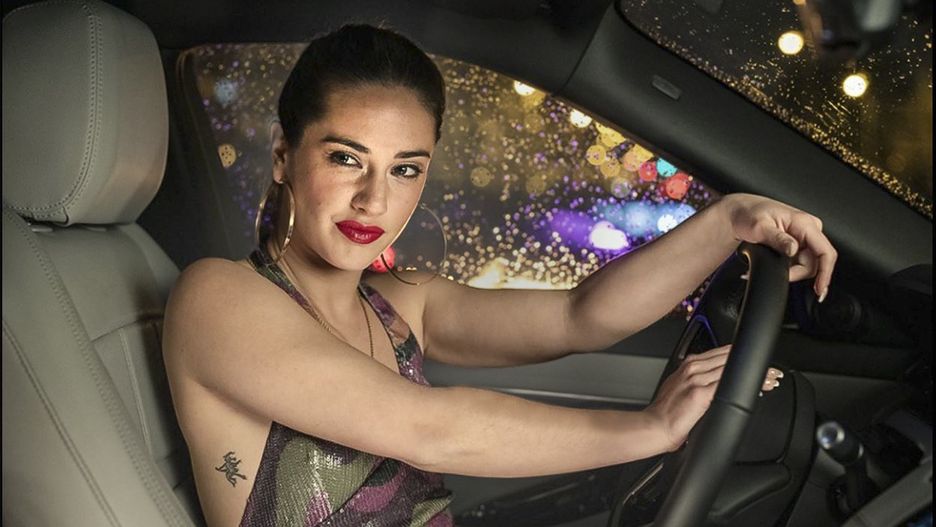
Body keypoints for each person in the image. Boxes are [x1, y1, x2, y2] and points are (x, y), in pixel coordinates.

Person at [162, 24, 837, 527]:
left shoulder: (400, 305)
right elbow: (431, 430)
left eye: (405, 169)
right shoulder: (218, 297)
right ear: (284, 155)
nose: (374, 199)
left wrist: (728, 221)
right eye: (346, 158)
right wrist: (652, 429)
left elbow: (579, 317)